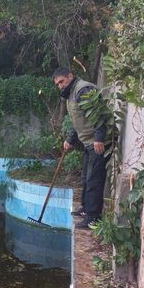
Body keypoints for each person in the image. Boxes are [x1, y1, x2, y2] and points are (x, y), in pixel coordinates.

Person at [53, 67, 110, 229]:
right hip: (88, 142)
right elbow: (77, 119)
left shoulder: (83, 89)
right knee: (86, 177)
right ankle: (86, 209)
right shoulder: (72, 93)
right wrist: (70, 139)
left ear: (70, 76)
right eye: (57, 84)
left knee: (94, 180)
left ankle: (94, 218)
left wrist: (99, 138)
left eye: (62, 82)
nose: (60, 86)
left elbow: (97, 113)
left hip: (97, 142)